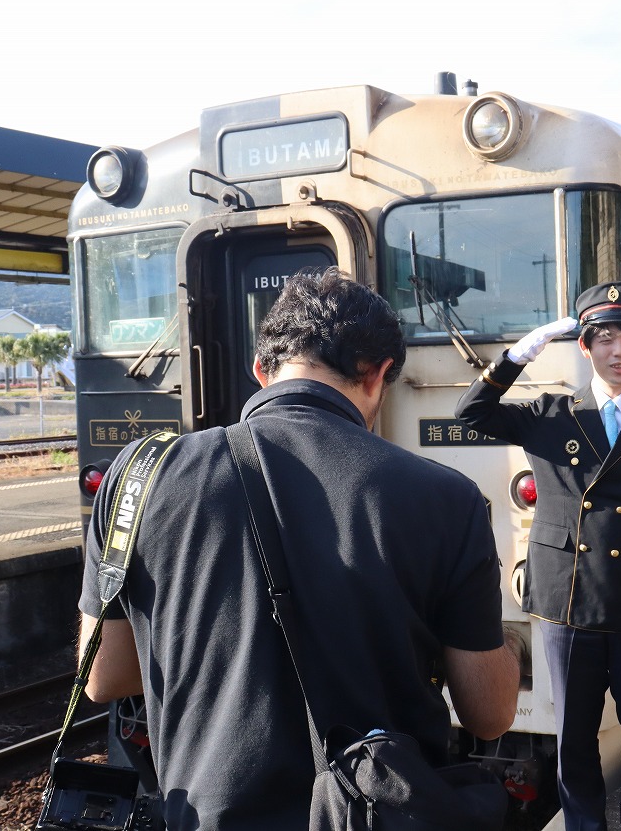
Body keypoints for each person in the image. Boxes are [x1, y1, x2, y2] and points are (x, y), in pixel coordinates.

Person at [77, 268, 519, 830]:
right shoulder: (447, 497)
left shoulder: (140, 476)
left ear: (261, 371)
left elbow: (104, 678)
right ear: (377, 374)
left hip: (203, 814)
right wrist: (504, 644)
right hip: (374, 815)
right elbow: (489, 715)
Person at [456, 281, 621, 831]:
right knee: (574, 737)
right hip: (568, 602)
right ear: (585, 348)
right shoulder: (551, 415)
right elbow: (471, 413)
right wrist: (516, 358)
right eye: (605, 339)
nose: (619, 351)